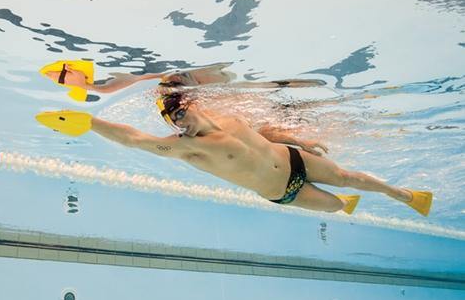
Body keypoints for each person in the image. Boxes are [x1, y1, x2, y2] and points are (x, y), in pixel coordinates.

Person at [80, 91, 432, 216]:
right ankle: (347, 204)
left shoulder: (228, 118)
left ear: (193, 105)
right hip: (283, 190)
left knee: (345, 176)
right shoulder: (188, 148)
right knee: (335, 205)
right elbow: (134, 139)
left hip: (293, 157)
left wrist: (300, 141)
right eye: (171, 120)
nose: (178, 122)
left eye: (179, 113)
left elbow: (263, 134)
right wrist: (89, 122)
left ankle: (404, 195)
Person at [44, 61, 326, 96]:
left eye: (65, 72)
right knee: (247, 88)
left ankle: (298, 83)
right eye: (62, 79)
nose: (65, 78)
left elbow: (145, 80)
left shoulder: (107, 82)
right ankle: (298, 84)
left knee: (249, 87)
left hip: (182, 80)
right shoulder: (103, 88)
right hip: (181, 84)